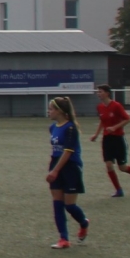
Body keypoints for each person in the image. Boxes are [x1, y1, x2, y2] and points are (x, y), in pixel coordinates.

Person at [45, 96, 90, 248]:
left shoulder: (71, 128)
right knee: (57, 203)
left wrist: (55, 171)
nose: (49, 111)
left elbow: (68, 152)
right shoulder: (52, 127)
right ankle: (63, 239)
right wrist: (52, 168)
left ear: (60, 111)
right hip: (56, 165)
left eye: (51, 109)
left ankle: (84, 223)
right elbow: (55, 150)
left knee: (69, 205)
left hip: (70, 167)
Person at [90, 85, 130, 197]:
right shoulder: (99, 107)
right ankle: (119, 190)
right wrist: (96, 134)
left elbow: (128, 119)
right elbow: (102, 121)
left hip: (118, 139)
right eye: (98, 92)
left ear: (107, 93)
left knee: (122, 167)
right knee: (109, 165)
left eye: (100, 92)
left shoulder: (116, 106)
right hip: (107, 140)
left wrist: (114, 127)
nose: (98, 94)